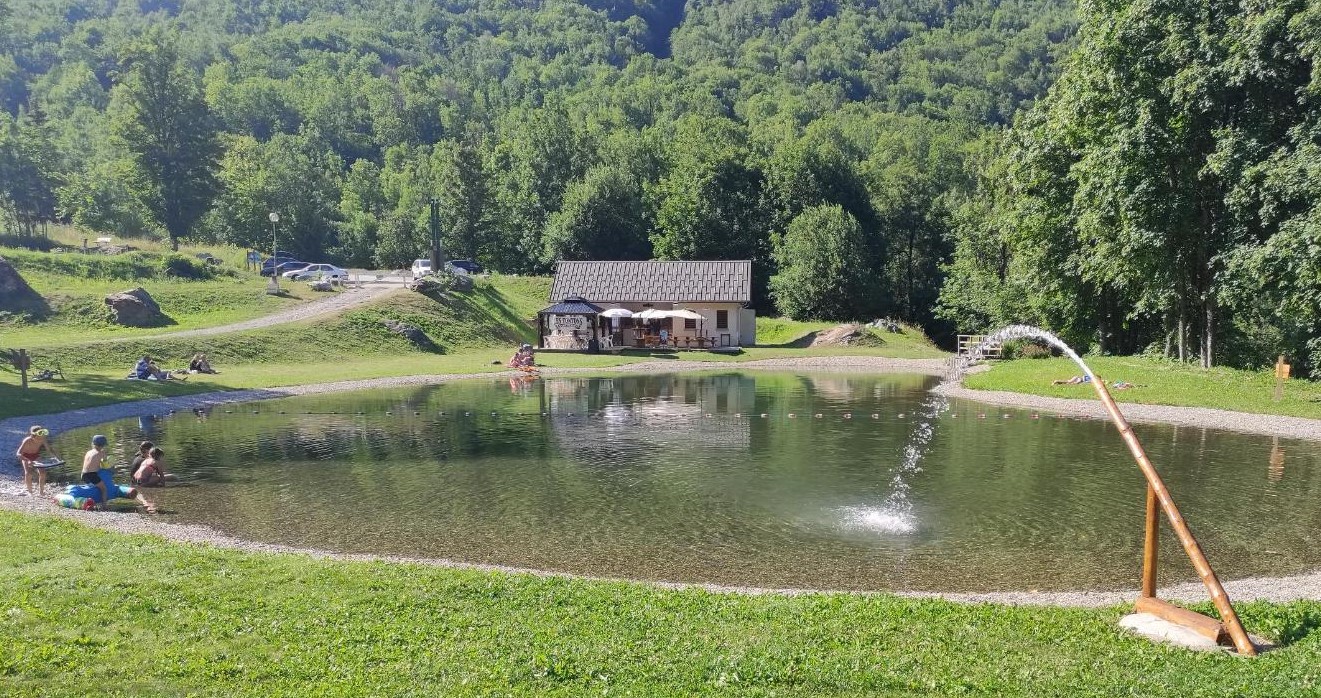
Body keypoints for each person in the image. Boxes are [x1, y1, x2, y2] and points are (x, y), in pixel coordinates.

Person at [16, 425, 60, 496]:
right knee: (28, 473)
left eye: (43, 434)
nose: (41, 437)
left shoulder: (43, 439)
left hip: (36, 456)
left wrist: (56, 458)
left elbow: (49, 450)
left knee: (42, 473)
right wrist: (28, 460)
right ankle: (30, 492)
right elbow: (18, 454)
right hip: (25, 456)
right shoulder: (27, 440)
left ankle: (41, 492)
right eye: (40, 434)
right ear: (33, 435)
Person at [82, 435, 111, 510]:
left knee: (97, 485)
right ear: (103, 445)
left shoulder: (89, 452)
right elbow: (106, 466)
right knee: (104, 489)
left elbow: (91, 465)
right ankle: (104, 506)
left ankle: (96, 502)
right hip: (91, 475)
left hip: (83, 475)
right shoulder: (101, 453)